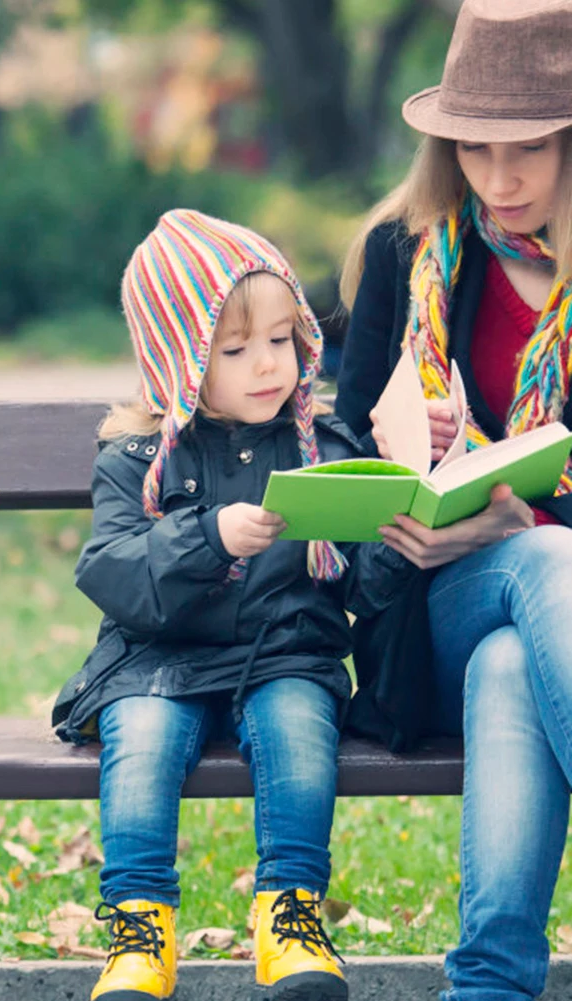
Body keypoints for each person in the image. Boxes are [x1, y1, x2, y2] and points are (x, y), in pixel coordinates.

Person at [52, 208, 415, 1001]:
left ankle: (290, 912)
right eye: (236, 347)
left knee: (295, 725)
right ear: (180, 357)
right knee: (140, 737)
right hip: (158, 661)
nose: (267, 365)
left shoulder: (323, 448)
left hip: (284, 653)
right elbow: (111, 569)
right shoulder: (136, 458)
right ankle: (137, 925)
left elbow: (358, 583)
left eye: (281, 340)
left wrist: (389, 532)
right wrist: (209, 536)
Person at [336, 2, 572, 999]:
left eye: (526, 148)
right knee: (547, 560)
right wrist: (405, 483)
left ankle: (485, 986)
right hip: (424, 607)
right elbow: (339, 452)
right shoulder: (406, 251)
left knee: (519, 648)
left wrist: (517, 513)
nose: (497, 177)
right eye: (471, 147)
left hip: (533, 634)